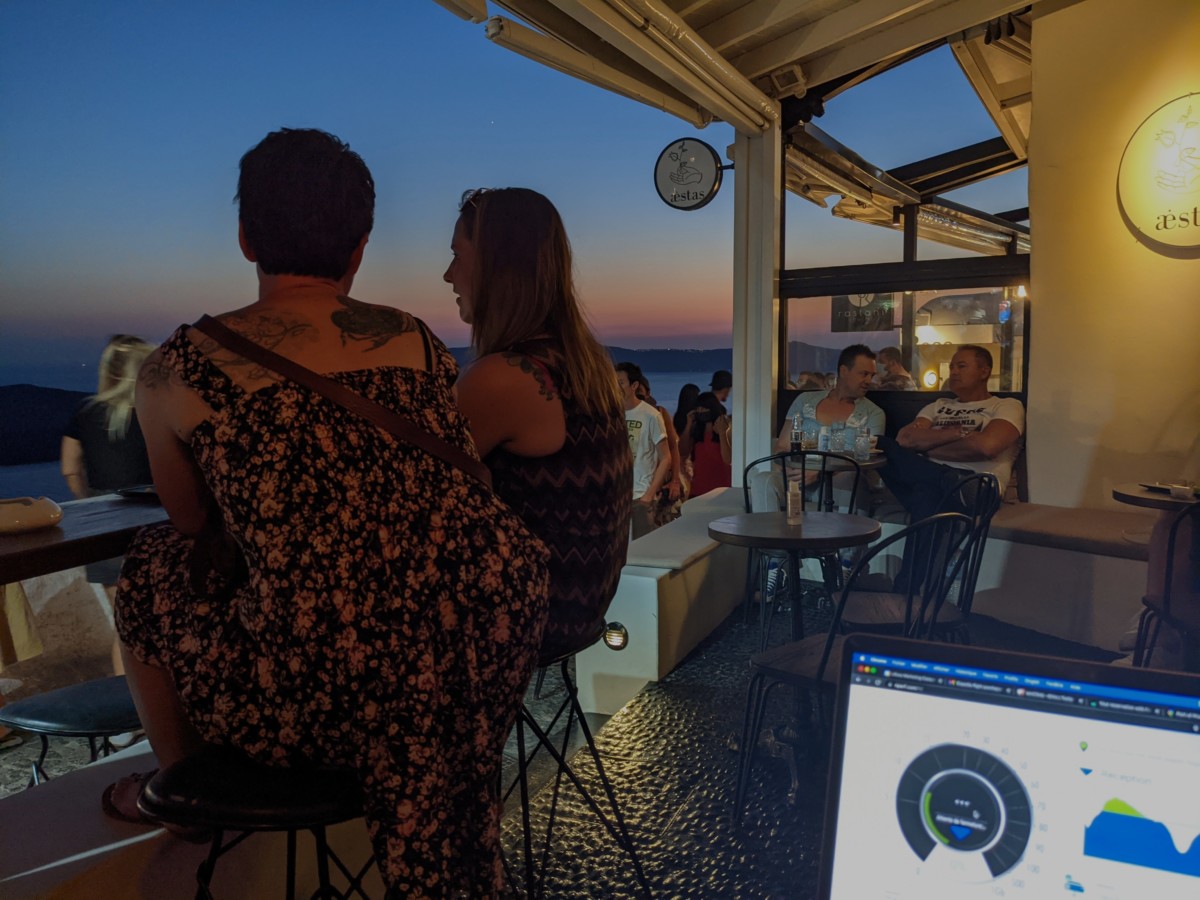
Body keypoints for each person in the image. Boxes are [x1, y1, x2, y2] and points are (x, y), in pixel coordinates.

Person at [109, 129, 549, 896]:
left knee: (149, 562)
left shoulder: (173, 369)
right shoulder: (414, 340)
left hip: (314, 700)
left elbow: (189, 525)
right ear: (360, 247)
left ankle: (183, 792)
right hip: (455, 664)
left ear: (245, 237)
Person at [447, 187, 632, 660]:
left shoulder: (505, 377)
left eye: (457, 257)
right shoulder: (583, 362)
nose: (449, 275)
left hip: (534, 616)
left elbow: (406, 486)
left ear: (495, 267)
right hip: (586, 605)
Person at [61, 334, 156, 677]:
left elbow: (70, 467)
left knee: (125, 627)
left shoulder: (85, 412)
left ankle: (125, 714)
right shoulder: (156, 411)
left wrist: (91, 503)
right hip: (157, 526)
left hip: (104, 530)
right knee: (166, 623)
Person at [879, 344, 1024, 524]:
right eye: (951, 367)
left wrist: (925, 447)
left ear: (984, 372)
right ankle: (942, 480)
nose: (953, 372)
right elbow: (905, 438)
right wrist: (957, 433)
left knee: (924, 491)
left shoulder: (1006, 406)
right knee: (884, 447)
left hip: (977, 484)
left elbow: (986, 447)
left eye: (961, 366)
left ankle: (942, 481)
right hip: (937, 480)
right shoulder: (939, 405)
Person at [775, 344, 885, 452]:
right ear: (843, 371)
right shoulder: (805, 400)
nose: (869, 381)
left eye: (872, 376)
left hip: (844, 470)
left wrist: (816, 470)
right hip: (796, 468)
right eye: (864, 374)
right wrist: (790, 469)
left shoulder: (873, 414)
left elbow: (867, 459)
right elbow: (782, 447)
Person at [616, 362, 669, 539]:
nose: (616, 387)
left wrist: (649, 494)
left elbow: (666, 457)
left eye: (620, 382)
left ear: (634, 385)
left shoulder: (650, 415)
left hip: (640, 495)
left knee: (641, 549)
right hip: (615, 495)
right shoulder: (610, 413)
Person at [634, 373, 683, 524]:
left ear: (648, 393)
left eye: (639, 391)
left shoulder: (658, 413)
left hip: (656, 481)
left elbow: (673, 447)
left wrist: (675, 480)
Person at [679, 391, 732, 498]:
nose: (700, 411)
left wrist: (722, 433)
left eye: (704, 408)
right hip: (698, 487)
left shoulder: (725, 428)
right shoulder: (697, 429)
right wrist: (688, 424)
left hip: (721, 488)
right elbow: (683, 451)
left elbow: (728, 459)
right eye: (698, 408)